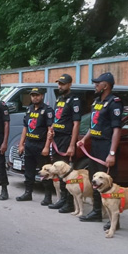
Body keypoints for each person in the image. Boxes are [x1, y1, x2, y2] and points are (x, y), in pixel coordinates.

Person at [77, 72, 122, 228]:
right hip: (94, 145)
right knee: (94, 180)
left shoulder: (114, 103)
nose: (95, 86)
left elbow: (117, 130)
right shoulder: (96, 102)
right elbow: (93, 126)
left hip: (106, 146)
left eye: (98, 83)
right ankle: (97, 211)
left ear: (106, 86)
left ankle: (114, 219)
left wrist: (112, 153)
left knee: (108, 183)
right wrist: (84, 139)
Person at [48, 73, 81, 213]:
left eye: (62, 84)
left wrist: (72, 144)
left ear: (69, 84)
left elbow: (76, 123)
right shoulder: (59, 99)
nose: (59, 86)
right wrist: (51, 131)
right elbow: (56, 120)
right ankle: (62, 199)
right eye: (59, 83)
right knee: (58, 172)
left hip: (67, 139)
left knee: (66, 172)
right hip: (57, 139)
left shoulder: (75, 100)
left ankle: (69, 202)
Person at [16, 87, 53, 203]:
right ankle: (28, 193)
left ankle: (48, 197)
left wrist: (47, 146)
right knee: (29, 171)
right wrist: (21, 144)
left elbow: (50, 130)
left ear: (42, 96)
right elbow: (25, 128)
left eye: (37, 95)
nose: (34, 97)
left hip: (41, 146)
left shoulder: (47, 110)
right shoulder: (29, 109)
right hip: (29, 144)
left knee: (45, 172)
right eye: (32, 95)